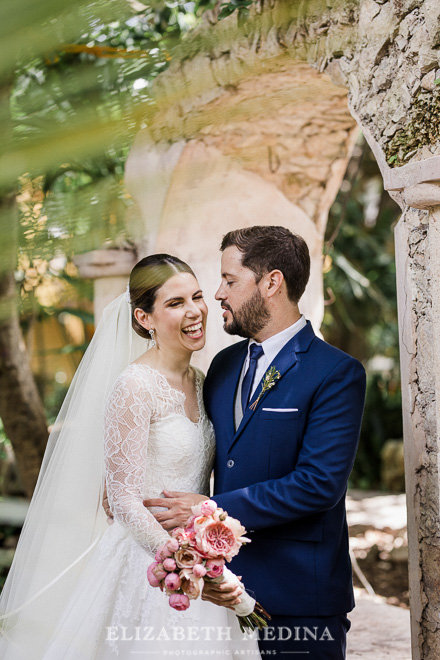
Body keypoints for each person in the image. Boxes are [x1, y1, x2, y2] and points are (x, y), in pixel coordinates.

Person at [0, 254, 260, 659]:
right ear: (144, 318)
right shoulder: (135, 386)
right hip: (152, 565)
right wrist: (185, 564)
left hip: (199, 554)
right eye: (175, 304)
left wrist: (207, 548)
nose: (194, 311)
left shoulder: (203, 381)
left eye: (196, 297)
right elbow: (122, 500)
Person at [144, 226, 367, 659]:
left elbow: (319, 484)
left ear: (271, 283)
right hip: (216, 591)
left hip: (301, 598)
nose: (218, 294)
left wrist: (209, 509)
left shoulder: (336, 373)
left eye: (230, 280)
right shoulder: (223, 366)